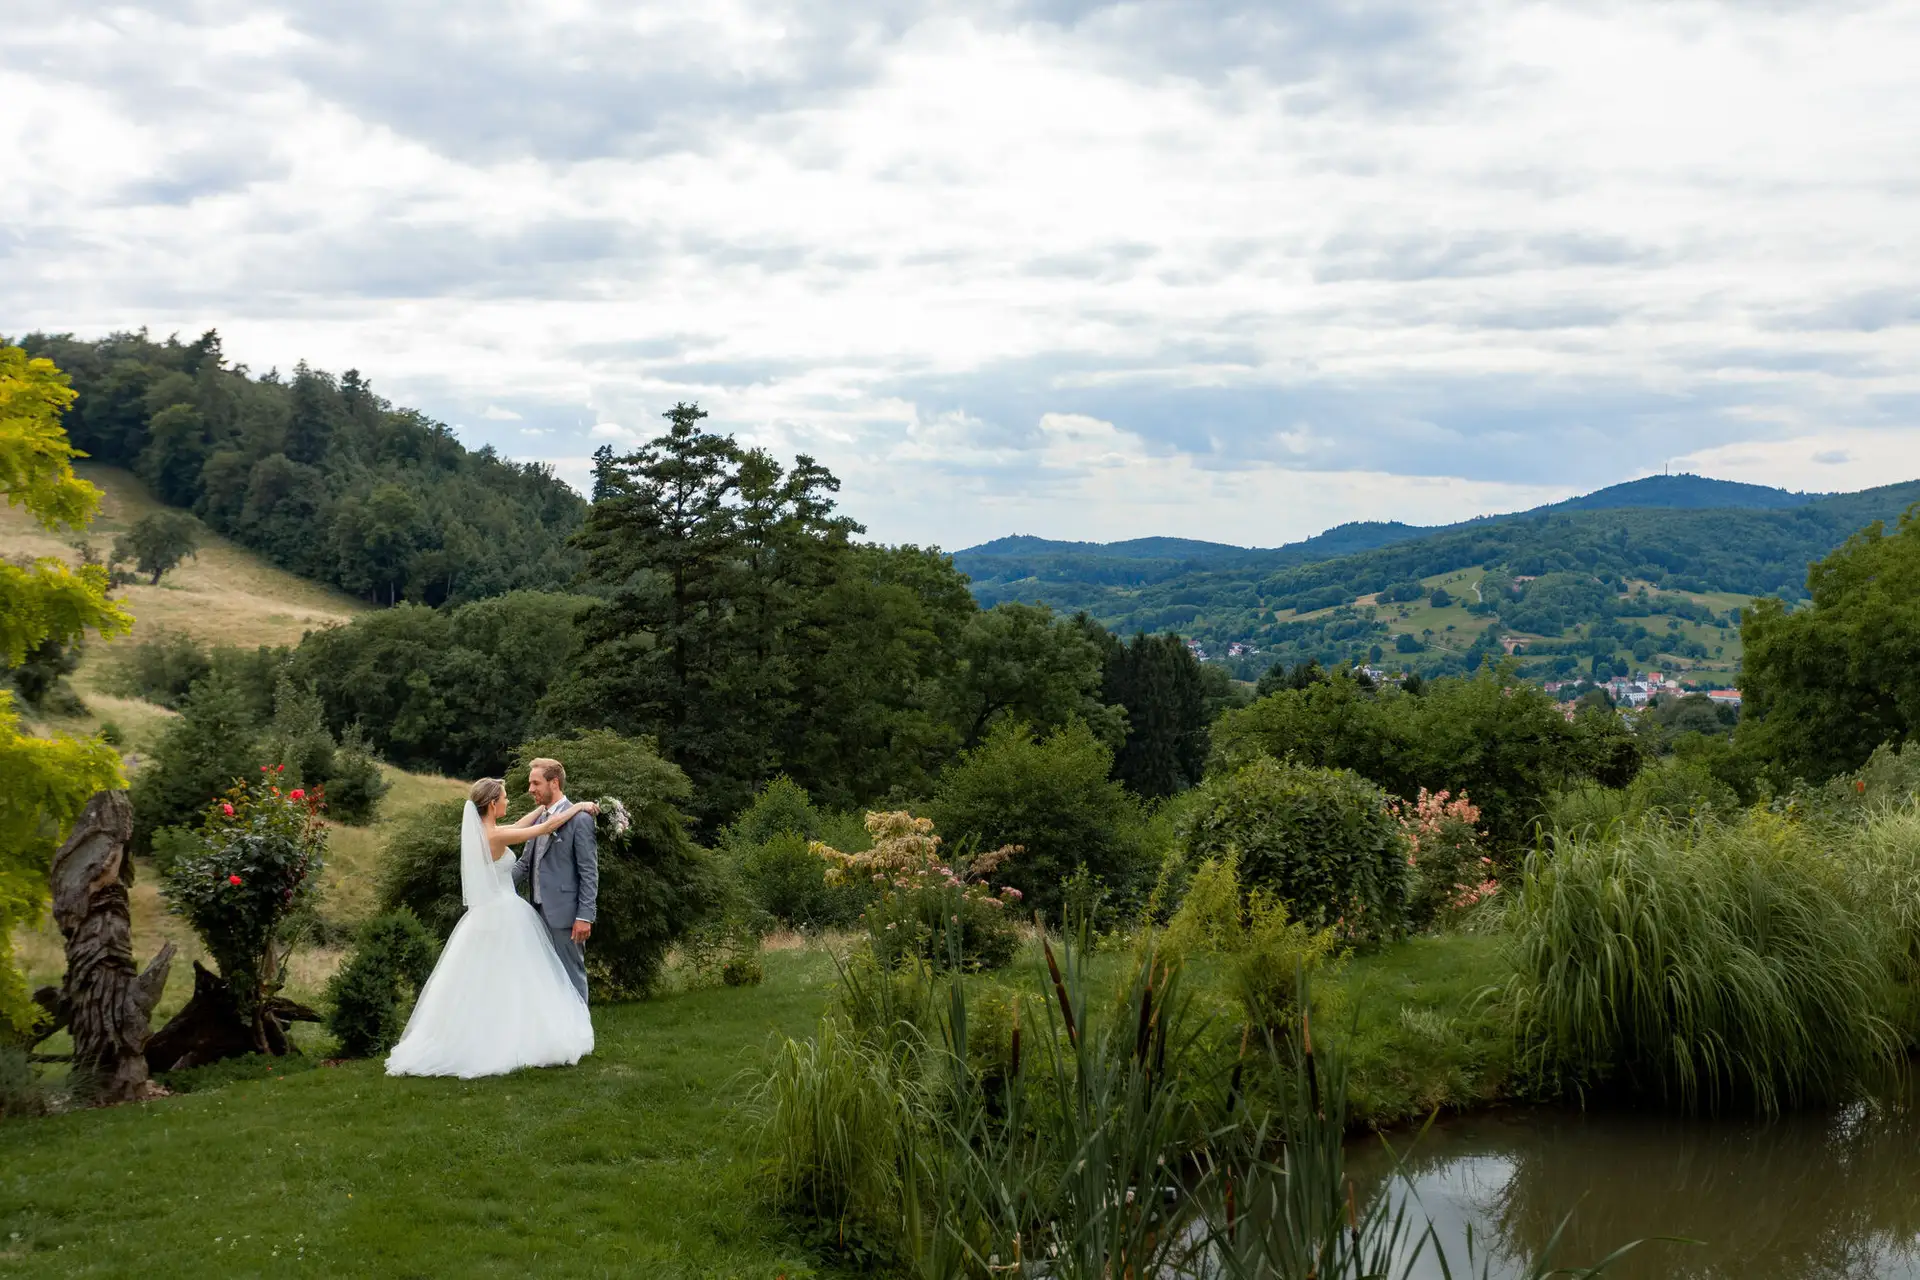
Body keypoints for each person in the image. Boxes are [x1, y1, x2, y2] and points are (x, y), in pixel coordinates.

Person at [385, 777, 597, 1078]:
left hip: (489, 915)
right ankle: (512, 1039)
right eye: (505, 798)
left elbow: (526, 822)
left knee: (494, 979)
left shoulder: (489, 832)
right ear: (493, 803)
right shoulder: (494, 838)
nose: (509, 802)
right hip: (505, 914)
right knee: (516, 978)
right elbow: (543, 830)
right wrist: (578, 807)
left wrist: (544, 808)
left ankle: (496, 1033)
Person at [512, 757, 598, 1003]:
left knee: (572, 976)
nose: (530, 789)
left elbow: (589, 872)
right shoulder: (539, 820)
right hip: (537, 913)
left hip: (566, 916)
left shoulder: (580, 819)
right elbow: (525, 864)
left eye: (535, 783)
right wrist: (495, 885)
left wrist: (585, 916)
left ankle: (582, 1037)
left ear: (554, 783)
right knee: (546, 979)